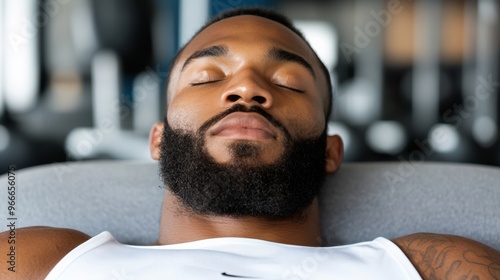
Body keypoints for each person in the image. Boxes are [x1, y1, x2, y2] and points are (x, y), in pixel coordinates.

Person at [1, 7, 500, 280]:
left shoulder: (433, 267)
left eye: (288, 82)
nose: (247, 88)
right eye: (207, 77)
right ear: (158, 139)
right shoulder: (38, 260)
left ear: (332, 152)